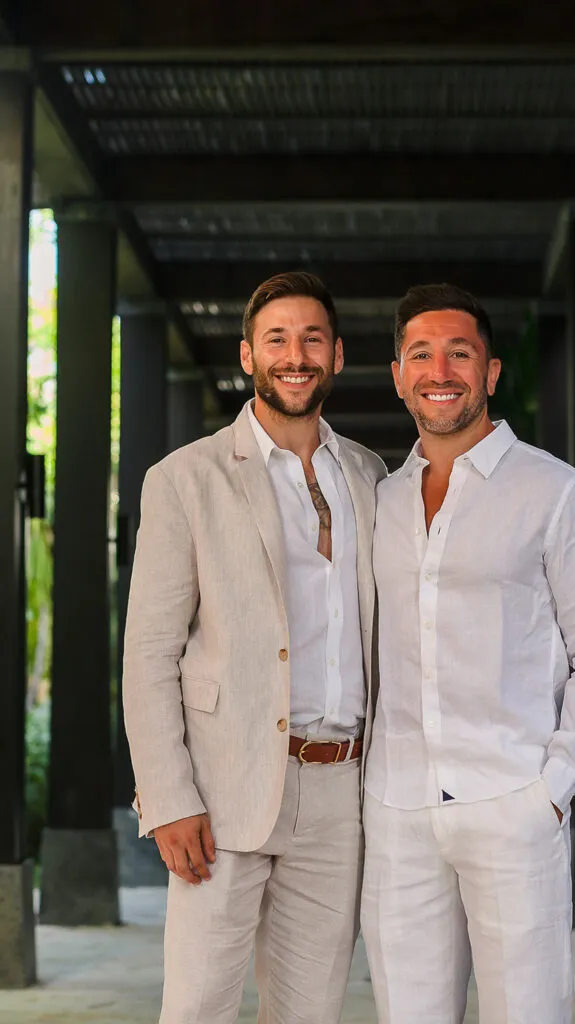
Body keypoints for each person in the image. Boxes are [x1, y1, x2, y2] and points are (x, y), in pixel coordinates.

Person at [361, 283, 575, 1024]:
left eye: (459, 353)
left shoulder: (558, 494)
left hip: (511, 798)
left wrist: (551, 787)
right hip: (396, 807)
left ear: (490, 372)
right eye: (420, 354)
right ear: (397, 375)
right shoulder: (380, 501)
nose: (438, 370)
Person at [123, 271, 385, 1024]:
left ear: (337, 356)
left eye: (311, 339)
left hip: (341, 791)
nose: (294, 355)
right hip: (221, 784)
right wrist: (167, 797)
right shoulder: (185, 479)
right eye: (276, 339)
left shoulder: (368, 474)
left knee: (310, 1012)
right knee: (199, 1007)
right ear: (248, 355)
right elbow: (149, 652)